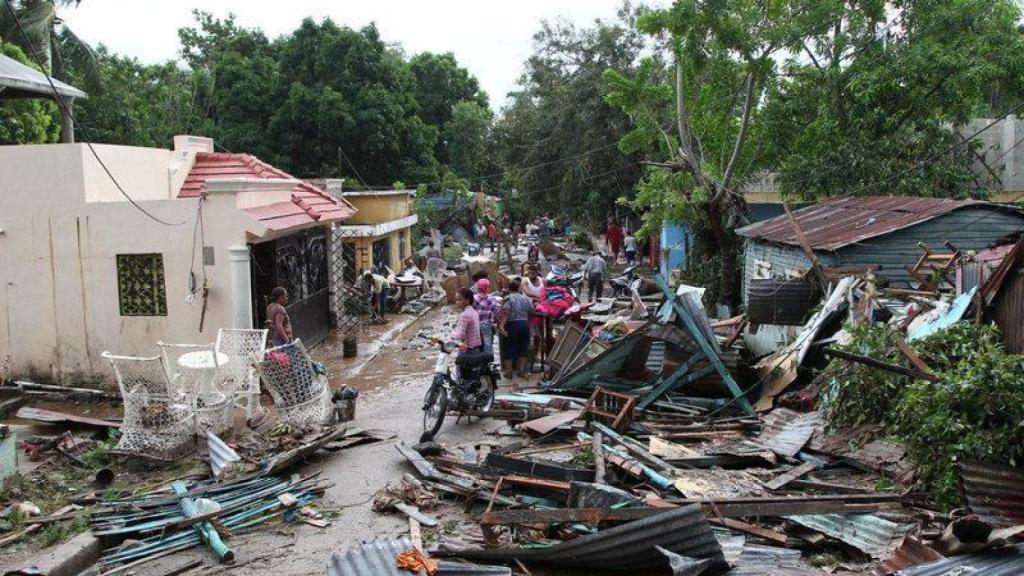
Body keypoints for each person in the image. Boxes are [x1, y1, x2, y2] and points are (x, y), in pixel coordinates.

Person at [498, 279, 534, 381]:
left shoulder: (508, 299)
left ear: (509, 289)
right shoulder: (526, 299)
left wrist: (501, 326)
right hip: (524, 324)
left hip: (512, 325)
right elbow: (532, 309)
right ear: (519, 289)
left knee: (509, 347)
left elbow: (506, 312)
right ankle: (521, 371)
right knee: (523, 347)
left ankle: (509, 372)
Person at [452, 287, 482, 352]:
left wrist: (452, 335)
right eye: (456, 300)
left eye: (460, 300)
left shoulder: (464, 315)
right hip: (476, 347)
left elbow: (461, 335)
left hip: (467, 349)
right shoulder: (474, 312)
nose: (457, 302)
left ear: (467, 300)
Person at [473, 278, 498, 355]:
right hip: (486, 324)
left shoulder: (474, 298)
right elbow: (495, 311)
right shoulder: (491, 298)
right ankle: (488, 360)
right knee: (488, 342)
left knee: (475, 344)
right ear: (487, 288)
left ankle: (476, 360)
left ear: (478, 288)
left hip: (475, 324)